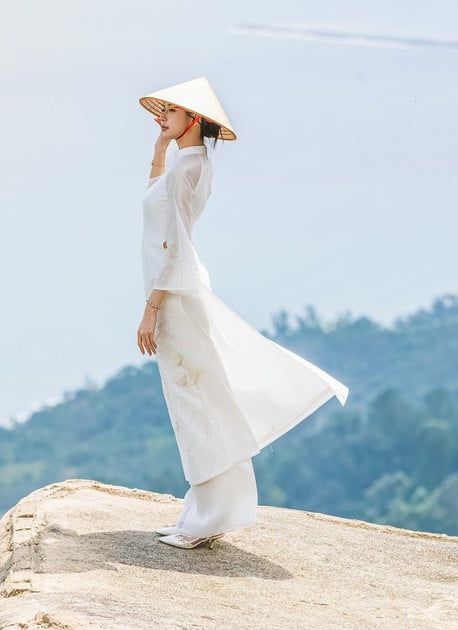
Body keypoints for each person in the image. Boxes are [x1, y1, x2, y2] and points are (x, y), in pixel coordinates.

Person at [134, 76, 350, 549]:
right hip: (174, 292)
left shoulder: (189, 169)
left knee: (198, 399)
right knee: (195, 397)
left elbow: (175, 245)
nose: (164, 116)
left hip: (173, 296)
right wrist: (159, 145)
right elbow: (155, 202)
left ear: (194, 119)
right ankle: (203, 510)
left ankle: (208, 518)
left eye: (172, 112)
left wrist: (151, 308)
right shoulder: (186, 162)